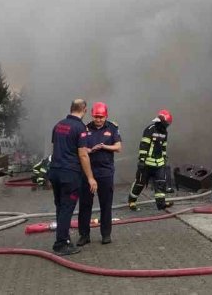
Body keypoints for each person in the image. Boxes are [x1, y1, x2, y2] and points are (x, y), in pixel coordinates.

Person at [48, 99, 97, 256]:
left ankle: (64, 238)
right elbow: (82, 155)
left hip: (55, 171)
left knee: (61, 207)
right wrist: (90, 177)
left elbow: (58, 147)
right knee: (67, 208)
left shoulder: (58, 125)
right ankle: (61, 243)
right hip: (69, 174)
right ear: (84, 110)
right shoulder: (80, 127)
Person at [78, 101, 122, 245]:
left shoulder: (113, 128)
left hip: (105, 172)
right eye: (96, 117)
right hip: (88, 171)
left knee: (106, 204)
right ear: (92, 115)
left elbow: (118, 147)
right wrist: (90, 150)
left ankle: (106, 235)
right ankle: (84, 235)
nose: (98, 120)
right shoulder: (84, 128)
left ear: (106, 116)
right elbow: (80, 149)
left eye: (101, 117)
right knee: (85, 205)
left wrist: (104, 146)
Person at [128, 109, 173, 211]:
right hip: (146, 164)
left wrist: (164, 159)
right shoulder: (150, 129)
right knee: (140, 183)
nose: (166, 126)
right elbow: (144, 145)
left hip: (159, 164)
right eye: (166, 124)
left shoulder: (165, 132)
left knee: (161, 183)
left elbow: (164, 147)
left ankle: (161, 204)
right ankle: (132, 201)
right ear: (161, 122)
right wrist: (142, 160)